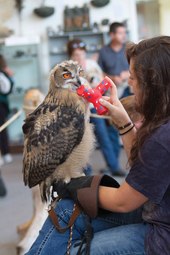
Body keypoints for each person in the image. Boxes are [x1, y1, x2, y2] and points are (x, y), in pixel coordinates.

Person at [26, 36, 170, 255]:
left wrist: (76, 188)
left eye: (133, 77)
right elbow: (143, 165)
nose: (129, 83)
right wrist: (124, 123)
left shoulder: (163, 135)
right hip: (155, 208)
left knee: (77, 250)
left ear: (153, 82)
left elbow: (124, 202)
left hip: (161, 231)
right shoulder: (162, 119)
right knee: (66, 210)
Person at [67, 39, 125, 176]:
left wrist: (95, 86)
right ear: (71, 55)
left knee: (104, 137)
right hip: (78, 111)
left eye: (81, 54)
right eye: (76, 55)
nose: (79, 57)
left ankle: (114, 166)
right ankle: (85, 170)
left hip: (94, 108)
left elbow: (101, 78)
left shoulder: (92, 64)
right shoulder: (67, 69)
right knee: (82, 141)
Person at [0, 54, 14, 166]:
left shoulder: (2, 73)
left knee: (2, 129)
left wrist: (10, 77)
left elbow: (6, 89)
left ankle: (5, 153)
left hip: (1, 106)